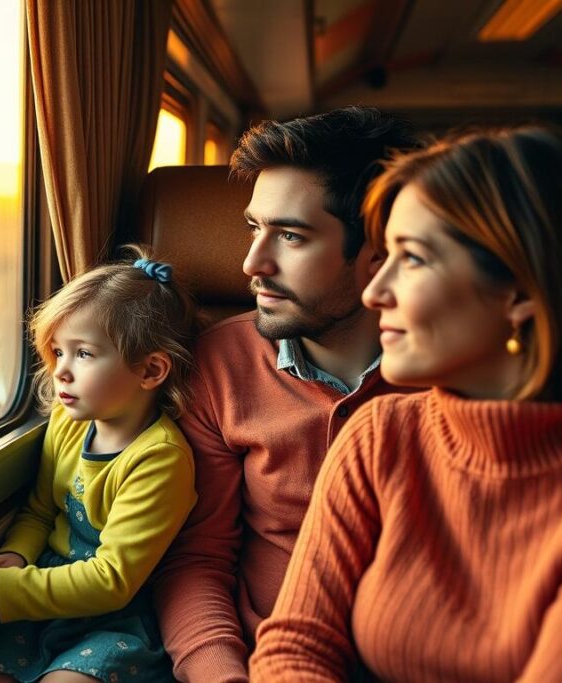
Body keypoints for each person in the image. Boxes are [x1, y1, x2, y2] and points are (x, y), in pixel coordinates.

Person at [250, 127, 562, 681]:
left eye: (411, 259)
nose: (374, 292)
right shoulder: (380, 434)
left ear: (520, 293)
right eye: (384, 255)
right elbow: (295, 648)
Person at [152, 106, 421, 682]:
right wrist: (221, 674)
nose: (252, 263)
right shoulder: (218, 363)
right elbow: (199, 559)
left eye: (291, 236)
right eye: (255, 227)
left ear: (378, 250)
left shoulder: (462, 368)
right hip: (260, 659)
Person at [0, 246, 200, 683]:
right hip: (41, 598)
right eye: (58, 351)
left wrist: (3, 593)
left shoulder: (159, 459)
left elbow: (112, 580)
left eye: (83, 353)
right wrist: (15, 554)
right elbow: (40, 510)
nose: (60, 371)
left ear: (150, 371)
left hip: (112, 619)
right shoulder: (68, 423)